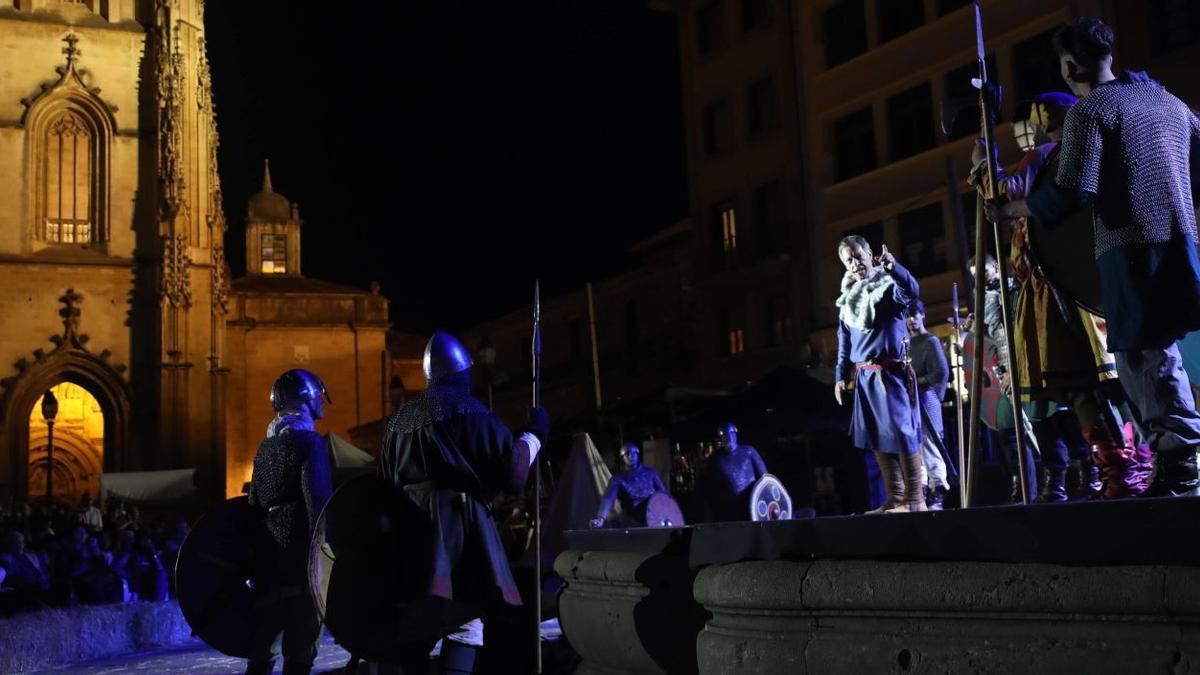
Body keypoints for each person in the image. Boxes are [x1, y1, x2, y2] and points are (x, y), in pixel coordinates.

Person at [996, 17, 1200, 497]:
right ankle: (1175, 462)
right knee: (1162, 352)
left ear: (1070, 65)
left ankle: (1178, 467)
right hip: (1180, 244)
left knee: (1144, 357)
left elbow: (1070, 192)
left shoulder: (1093, 112)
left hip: (1129, 249)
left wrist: (1013, 208)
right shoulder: (1170, 103)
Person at [973, 91, 1136, 501]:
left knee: (1085, 384)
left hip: (1058, 290)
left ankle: (1120, 473)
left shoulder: (1048, 155)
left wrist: (983, 164)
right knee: (1112, 383)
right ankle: (1124, 469)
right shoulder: (1097, 152)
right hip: (1096, 283)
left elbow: (1004, 193)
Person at [377, 331, 549, 675]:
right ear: (459, 373)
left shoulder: (398, 421)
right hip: (456, 530)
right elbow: (511, 469)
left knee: (416, 624)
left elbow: (382, 483)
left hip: (409, 534)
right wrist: (534, 434)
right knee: (464, 620)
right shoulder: (466, 408)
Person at [244, 369, 334, 675]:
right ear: (306, 399)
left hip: (270, 559)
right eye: (318, 396)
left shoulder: (264, 448)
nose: (322, 402)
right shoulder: (310, 443)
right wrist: (324, 556)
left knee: (264, 645)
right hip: (301, 557)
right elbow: (318, 504)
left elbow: (254, 506)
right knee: (301, 645)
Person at [835, 236, 926, 512]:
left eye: (858, 256)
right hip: (864, 378)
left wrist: (893, 267)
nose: (855, 263)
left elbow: (911, 291)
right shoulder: (848, 300)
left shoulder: (887, 287)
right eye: (848, 259)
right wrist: (840, 375)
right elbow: (844, 341)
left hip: (890, 374)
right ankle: (896, 499)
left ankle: (916, 501)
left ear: (869, 254)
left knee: (903, 433)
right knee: (875, 436)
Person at [904, 301, 951, 509]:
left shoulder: (930, 341)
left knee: (930, 445)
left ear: (923, 315)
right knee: (915, 448)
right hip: (910, 402)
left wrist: (917, 382)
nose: (911, 320)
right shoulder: (904, 344)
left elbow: (940, 372)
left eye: (914, 314)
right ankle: (922, 492)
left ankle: (938, 491)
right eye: (907, 316)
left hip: (926, 399)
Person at [701, 423, 768, 521]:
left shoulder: (749, 452)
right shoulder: (715, 460)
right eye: (723, 436)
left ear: (735, 435)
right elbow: (710, 489)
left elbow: (765, 478)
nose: (727, 438)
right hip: (728, 513)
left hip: (751, 508)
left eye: (730, 434)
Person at [591, 443, 668, 528]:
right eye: (627, 454)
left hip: (654, 516)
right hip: (633, 518)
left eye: (634, 453)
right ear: (622, 457)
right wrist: (601, 518)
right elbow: (608, 499)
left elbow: (663, 494)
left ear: (638, 455)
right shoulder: (618, 479)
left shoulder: (651, 473)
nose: (631, 456)